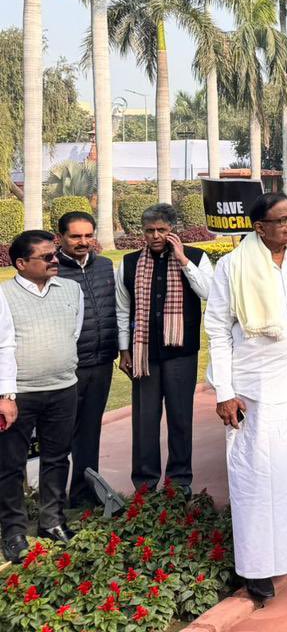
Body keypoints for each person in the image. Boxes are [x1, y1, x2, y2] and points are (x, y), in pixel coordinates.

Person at [205, 193, 287, 602]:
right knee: (257, 481)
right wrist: (225, 392)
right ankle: (258, 568)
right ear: (259, 227)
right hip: (255, 391)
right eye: (281, 220)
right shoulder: (233, 266)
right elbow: (218, 331)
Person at [115, 203, 215, 494]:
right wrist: (124, 350)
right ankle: (145, 484)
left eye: (162, 230)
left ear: (173, 230)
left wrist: (183, 260)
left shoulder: (195, 257)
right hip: (143, 353)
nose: (156, 236)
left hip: (181, 353)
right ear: (143, 232)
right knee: (144, 420)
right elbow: (123, 310)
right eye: (150, 230)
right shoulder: (130, 263)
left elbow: (209, 293)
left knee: (180, 418)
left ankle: (179, 481)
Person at [0, 230, 82, 562]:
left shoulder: (71, 289)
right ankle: (14, 532)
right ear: (21, 263)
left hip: (63, 388)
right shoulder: (4, 296)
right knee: (10, 464)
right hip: (19, 395)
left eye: (55, 254)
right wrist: (5, 395)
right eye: (46, 257)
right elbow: (2, 345)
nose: (55, 260)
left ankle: (52, 522)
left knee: (57, 457)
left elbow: (73, 332)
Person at [55, 211, 118, 508]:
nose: (83, 242)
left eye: (88, 235)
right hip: (68, 367)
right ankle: (53, 501)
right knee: (60, 436)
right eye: (75, 236)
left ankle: (83, 496)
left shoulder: (105, 266)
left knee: (90, 431)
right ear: (60, 238)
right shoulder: (51, 270)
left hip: (102, 362)